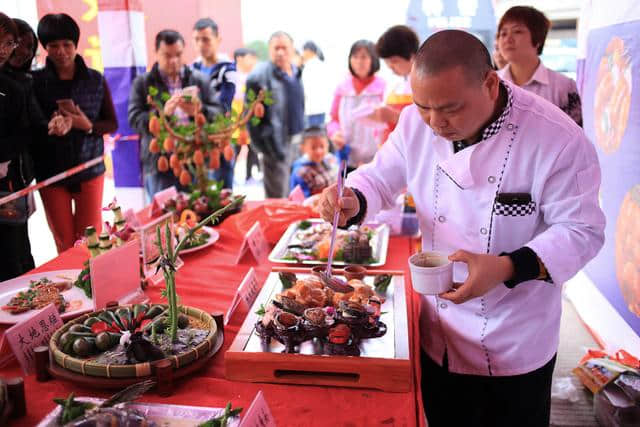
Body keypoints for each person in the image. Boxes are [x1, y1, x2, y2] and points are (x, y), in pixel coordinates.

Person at [319, 30, 605, 427]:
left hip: (514, 339)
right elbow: (381, 177)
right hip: (438, 327)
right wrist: (352, 196)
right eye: (424, 107)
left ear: (489, 84)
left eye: (450, 109)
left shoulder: (556, 139)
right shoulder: (415, 123)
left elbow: (581, 230)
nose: (436, 123)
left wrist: (505, 267)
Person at [32, 13, 117, 254]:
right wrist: (51, 125)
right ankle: (72, 289)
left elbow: (111, 123)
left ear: (76, 44)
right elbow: (31, 124)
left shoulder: (95, 80)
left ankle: (93, 287)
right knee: (65, 244)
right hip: (51, 173)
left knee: (90, 241)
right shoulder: (35, 81)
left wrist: (86, 125)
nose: (61, 51)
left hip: (89, 169)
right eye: (53, 45)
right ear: (45, 47)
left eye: (66, 44)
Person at [128, 29, 223, 202]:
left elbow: (218, 113)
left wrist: (199, 110)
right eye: (167, 55)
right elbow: (134, 121)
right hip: (161, 162)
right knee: (167, 219)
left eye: (178, 55)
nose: (173, 61)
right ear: (156, 53)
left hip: (196, 158)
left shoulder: (199, 79)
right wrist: (162, 114)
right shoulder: (143, 83)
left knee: (202, 215)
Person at [497, 6, 582, 125]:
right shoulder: (491, 83)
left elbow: (575, 135)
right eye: (503, 33)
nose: (507, 39)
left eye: (517, 31)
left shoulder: (564, 87)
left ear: (538, 40)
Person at [246, 31, 305, 198]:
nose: (280, 52)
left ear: (292, 49)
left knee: (295, 194)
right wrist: (266, 149)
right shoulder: (258, 78)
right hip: (275, 146)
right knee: (278, 199)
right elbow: (251, 119)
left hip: (297, 142)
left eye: (284, 48)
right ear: (269, 50)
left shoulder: (296, 72)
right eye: (276, 48)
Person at [326, 40, 385, 172]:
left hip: (376, 160)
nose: (359, 62)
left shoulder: (383, 88)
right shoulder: (342, 87)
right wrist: (335, 133)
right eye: (355, 57)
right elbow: (333, 120)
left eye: (364, 57)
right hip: (347, 158)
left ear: (373, 59)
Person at [191, 17, 236, 189]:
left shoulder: (228, 69)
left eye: (206, 39)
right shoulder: (192, 69)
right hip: (195, 137)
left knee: (222, 189)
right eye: (197, 40)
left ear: (218, 40)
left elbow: (224, 103)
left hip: (220, 136)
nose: (201, 44)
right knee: (199, 189)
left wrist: (199, 107)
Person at [375, 25, 420, 136]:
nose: (391, 67)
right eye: (387, 62)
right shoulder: (393, 84)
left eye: (394, 61)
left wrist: (396, 117)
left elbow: (430, 126)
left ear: (411, 55)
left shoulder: (426, 84)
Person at [232, 47, 260, 183]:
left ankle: (249, 176)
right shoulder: (233, 77)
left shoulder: (251, 77)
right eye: (250, 58)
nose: (252, 62)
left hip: (248, 120)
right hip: (235, 122)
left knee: (252, 148)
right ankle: (230, 177)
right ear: (240, 59)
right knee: (234, 150)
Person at [290, 126, 337, 197]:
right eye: (313, 147)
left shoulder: (330, 159)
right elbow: (301, 198)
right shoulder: (301, 172)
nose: (318, 151)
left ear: (327, 145)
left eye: (322, 146)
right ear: (303, 148)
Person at [301, 41, 330, 127]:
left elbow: (304, 89)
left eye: (303, 51)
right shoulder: (323, 65)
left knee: (311, 137)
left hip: (310, 110)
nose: (302, 54)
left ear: (308, 51)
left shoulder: (308, 67)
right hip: (322, 109)